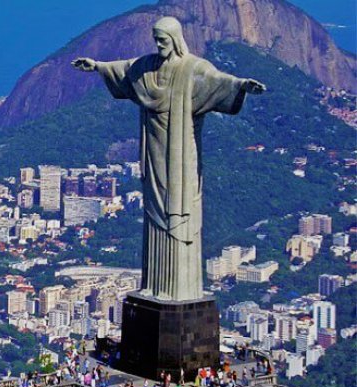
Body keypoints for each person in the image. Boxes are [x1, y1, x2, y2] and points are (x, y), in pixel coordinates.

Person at [72, 16, 265, 301]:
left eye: (163, 39)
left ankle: (180, 289)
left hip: (181, 153)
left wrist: (241, 85)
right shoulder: (146, 67)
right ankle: (156, 287)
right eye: (156, 39)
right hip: (154, 152)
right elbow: (124, 69)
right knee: (155, 213)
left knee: (180, 207)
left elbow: (217, 81)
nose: (159, 44)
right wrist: (97, 67)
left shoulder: (192, 68)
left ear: (175, 39)